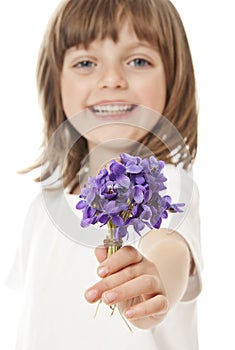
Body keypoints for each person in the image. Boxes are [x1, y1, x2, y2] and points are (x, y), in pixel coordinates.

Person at [6, 0, 202, 349]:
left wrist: (155, 281)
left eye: (138, 61)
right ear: (57, 84)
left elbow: (169, 247)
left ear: (174, 76)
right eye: (85, 63)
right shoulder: (42, 207)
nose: (112, 80)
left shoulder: (170, 184)